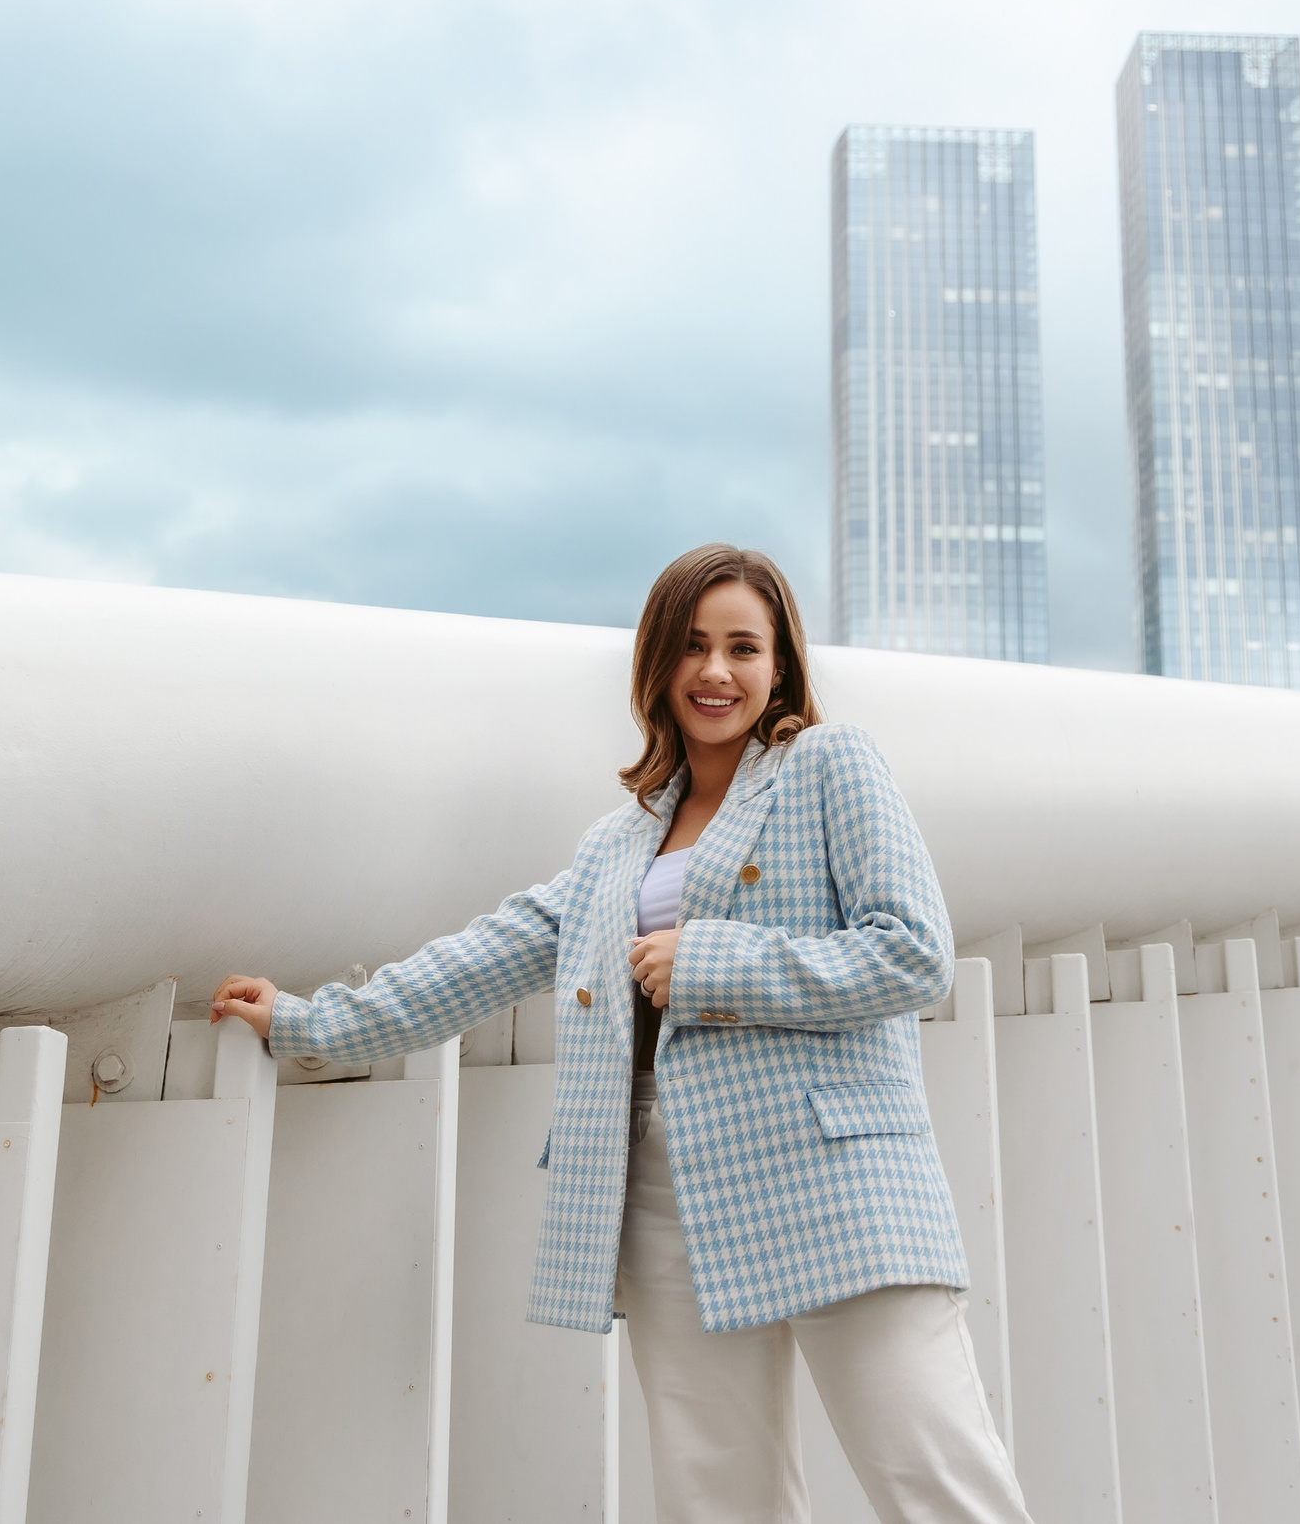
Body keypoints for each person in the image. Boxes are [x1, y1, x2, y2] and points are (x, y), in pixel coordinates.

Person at [212, 544, 1033, 1523]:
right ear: (656, 665)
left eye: (742, 646)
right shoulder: (618, 841)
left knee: (935, 1479)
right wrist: (309, 1026)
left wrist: (714, 963)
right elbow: (487, 954)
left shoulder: (827, 765)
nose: (717, 671)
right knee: (716, 1498)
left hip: (832, 1178)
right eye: (692, 646)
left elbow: (913, 951)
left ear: (780, 667)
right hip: (662, 1185)